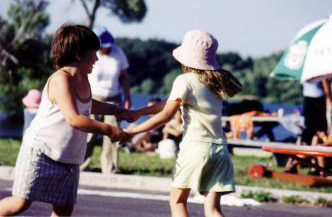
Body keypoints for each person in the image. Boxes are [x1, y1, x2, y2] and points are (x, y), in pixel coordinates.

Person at [0, 24, 131, 216]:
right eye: (93, 53)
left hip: (68, 156)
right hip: (41, 151)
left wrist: (114, 109)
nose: (97, 58)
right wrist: (109, 130)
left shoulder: (83, 78)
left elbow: (87, 105)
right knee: (21, 202)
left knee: (63, 210)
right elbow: (74, 118)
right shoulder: (61, 79)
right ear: (78, 54)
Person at [126, 30, 242, 217]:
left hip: (195, 148)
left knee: (178, 201)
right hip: (220, 149)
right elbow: (169, 103)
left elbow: (166, 115)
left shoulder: (184, 80)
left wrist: (132, 132)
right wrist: (140, 112)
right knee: (212, 209)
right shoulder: (214, 83)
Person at [80, 26, 131, 174]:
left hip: (113, 99)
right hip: (93, 97)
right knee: (89, 133)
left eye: (109, 46)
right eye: (104, 47)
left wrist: (127, 97)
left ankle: (109, 168)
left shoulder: (118, 53)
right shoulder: (90, 54)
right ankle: (82, 165)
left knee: (113, 133)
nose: (107, 49)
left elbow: (124, 77)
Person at [310, 103, 332, 176]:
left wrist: (324, 138)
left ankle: (322, 172)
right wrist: (323, 138)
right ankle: (319, 170)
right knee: (316, 140)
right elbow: (329, 140)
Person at [301, 80, 328, 145]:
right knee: (309, 125)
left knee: (320, 126)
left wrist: (328, 98)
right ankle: (309, 144)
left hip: (319, 98)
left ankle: (319, 143)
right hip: (309, 98)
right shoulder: (304, 72)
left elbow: (325, 82)